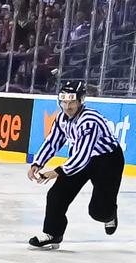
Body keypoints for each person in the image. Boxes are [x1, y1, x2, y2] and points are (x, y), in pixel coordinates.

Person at [27, 81, 122, 249]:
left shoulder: (90, 120)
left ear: (81, 101)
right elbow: (53, 141)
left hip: (107, 161)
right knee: (56, 195)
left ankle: (109, 215)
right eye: (63, 101)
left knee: (98, 212)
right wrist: (38, 162)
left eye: (72, 102)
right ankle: (53, 233)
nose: (67, 106)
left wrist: (58, 171)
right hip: (80, 158)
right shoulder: (61, 117)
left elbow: (84, 156)